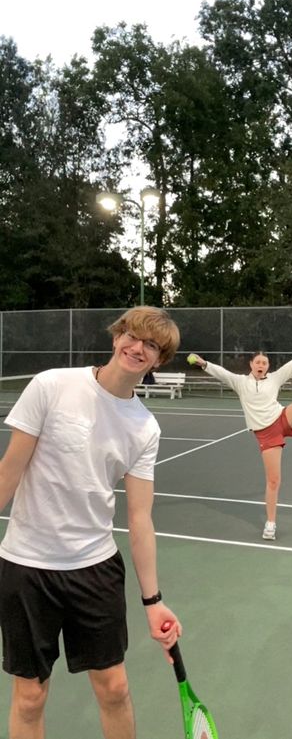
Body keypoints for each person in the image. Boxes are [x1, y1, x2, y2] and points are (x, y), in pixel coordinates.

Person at [0, 306, 182, 739]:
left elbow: (140, 518)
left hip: (95, 570)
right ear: (116, 336)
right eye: (132, 336)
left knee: (115, 688)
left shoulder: (144, 428)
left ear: (159, 360)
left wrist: (153, 600)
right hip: (27, 568)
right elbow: (9, 470)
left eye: (151, 345)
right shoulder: (51, 385)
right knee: (30, 696)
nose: (137, 347)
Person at [188, 335, 292, 541]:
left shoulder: (275, 378)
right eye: (258, 362)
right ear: (251, 364)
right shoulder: (241, 383)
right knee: (274, 480)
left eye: (265, 363)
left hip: (282, 418)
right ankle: (271, 523)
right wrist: (203, 363)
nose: (261, 365)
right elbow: (221, 373)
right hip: (266, 434)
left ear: (268, 366)